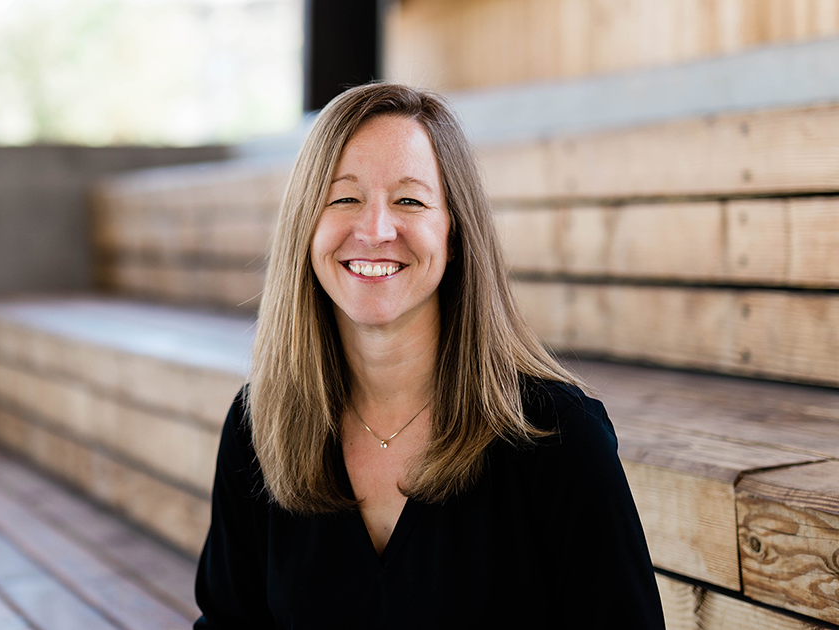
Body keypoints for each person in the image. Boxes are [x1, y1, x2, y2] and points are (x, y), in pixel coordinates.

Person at [193, 83, 664, 628]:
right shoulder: (260, 428)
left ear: (455, 231)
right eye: (344, 197)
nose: (375, 230)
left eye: (409, 200)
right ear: (307, 226)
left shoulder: (559, 438)